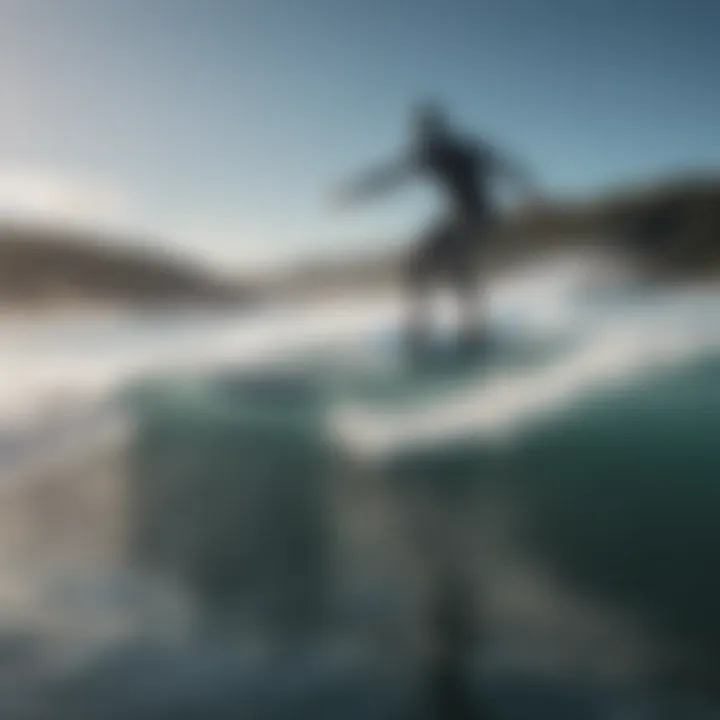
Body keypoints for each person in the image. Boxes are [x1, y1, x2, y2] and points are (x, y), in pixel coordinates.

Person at [332, 102, 539, 350]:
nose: (421, 140)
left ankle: (472, 330)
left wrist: (528, 191)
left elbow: (501, 164)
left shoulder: (459, 150)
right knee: (416, 263)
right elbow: (392, 176)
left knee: (452, 261)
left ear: (436, 132)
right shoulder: (429, 155)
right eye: (420, 135)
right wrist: (358, 190)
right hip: (460, 216)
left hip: (478, 215)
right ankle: (423, 328)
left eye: (425, 135)